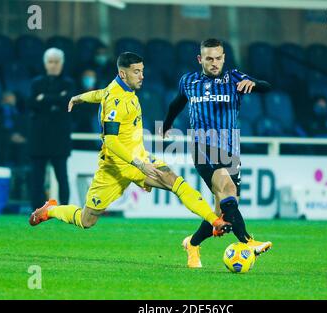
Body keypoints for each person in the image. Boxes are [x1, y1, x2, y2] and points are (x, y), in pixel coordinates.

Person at [29, 52, 230, 236]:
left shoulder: (116, 87)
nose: (141, 76)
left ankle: (215, 221)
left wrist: (79, 97)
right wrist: (139, 164)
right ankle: (51, 210)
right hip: (115, 168)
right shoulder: (117, 100)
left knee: (174, 181)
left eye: (141, 71)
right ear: (123, 74)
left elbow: (101, 93)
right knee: (86, 220)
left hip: (139, 158)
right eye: (136, 72)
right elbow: (111, 140)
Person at [162, 38, 273, 268]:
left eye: (218, 58)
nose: (214, 63)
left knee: (223, 214)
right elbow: (176, 104)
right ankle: (248, 241)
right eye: (209, 58)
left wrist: (254, 84)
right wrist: (166, 125)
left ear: (224, 58)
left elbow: (267, 86)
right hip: (202, 146)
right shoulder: (189, 81)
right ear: (200, 59)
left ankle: (192, 244)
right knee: (228, 189)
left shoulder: (234, 78)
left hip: (230, 149)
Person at [28, 48, 75, 210]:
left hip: (59, 138)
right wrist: (57, 98)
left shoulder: (69, 83)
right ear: (45, 64)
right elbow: (32, 104)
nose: (53, 65)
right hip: (39, 138)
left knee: (62, 176)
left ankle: (66, 210)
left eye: (56, 62)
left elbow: (67, 103)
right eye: (50, 62)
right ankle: (36, 209)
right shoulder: (36, 83)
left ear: (62, 64)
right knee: (37, 178)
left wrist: (44, 98)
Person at [0, 91, 28, 166]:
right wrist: (9, 137)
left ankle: (22, 172)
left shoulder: (20, 116)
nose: (9, 104)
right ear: (2, 101)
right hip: (2, 141)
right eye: (7, 101)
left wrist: (23, 138)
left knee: (24, 147)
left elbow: (25, 128)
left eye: (12, 101)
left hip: (19, 142)